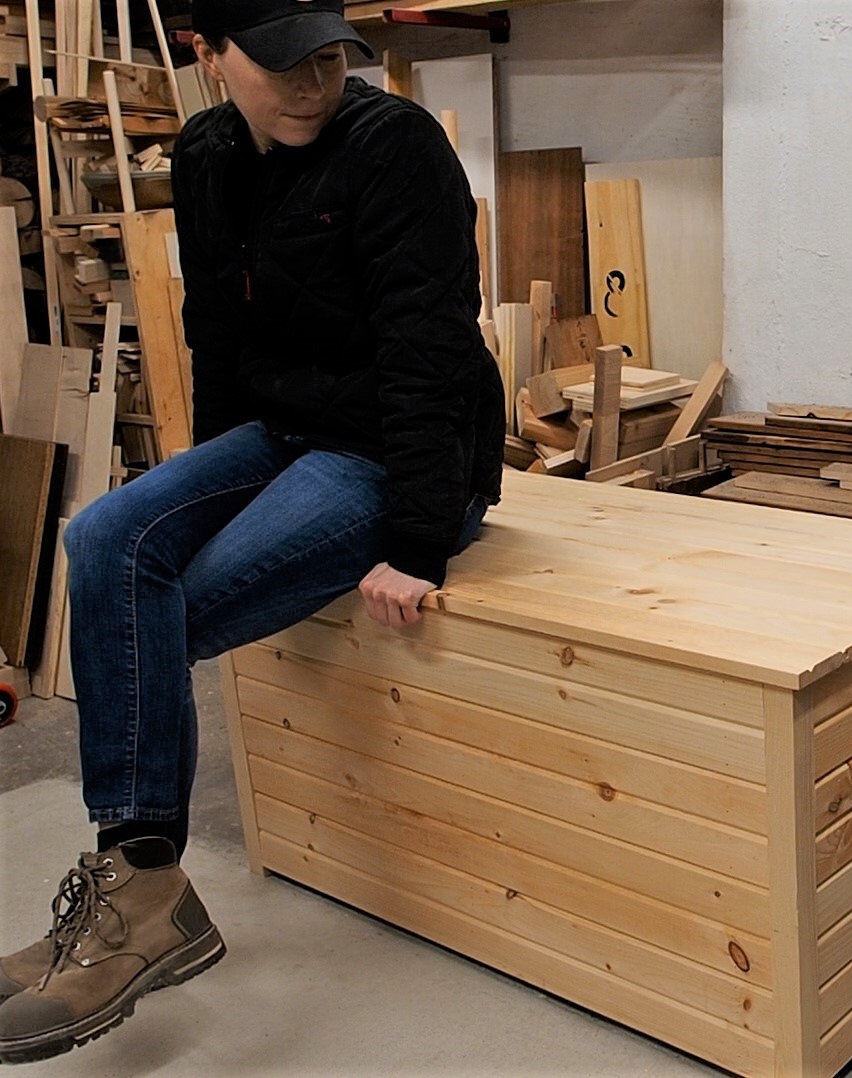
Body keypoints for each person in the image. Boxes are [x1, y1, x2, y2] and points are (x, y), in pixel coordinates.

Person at [0, 0, 505, 1064]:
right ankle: (141, 880)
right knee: (104, 542)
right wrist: (211, 480)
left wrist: (418, 543)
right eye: (282, 66)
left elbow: (433, 347)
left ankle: (137, 900)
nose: (313, 84)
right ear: (207, 55)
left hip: (397, 452)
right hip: (279, 434)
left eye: (327, 58)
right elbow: (216, 329)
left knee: (158, 611)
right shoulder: (208, 153)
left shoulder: (392, 147)